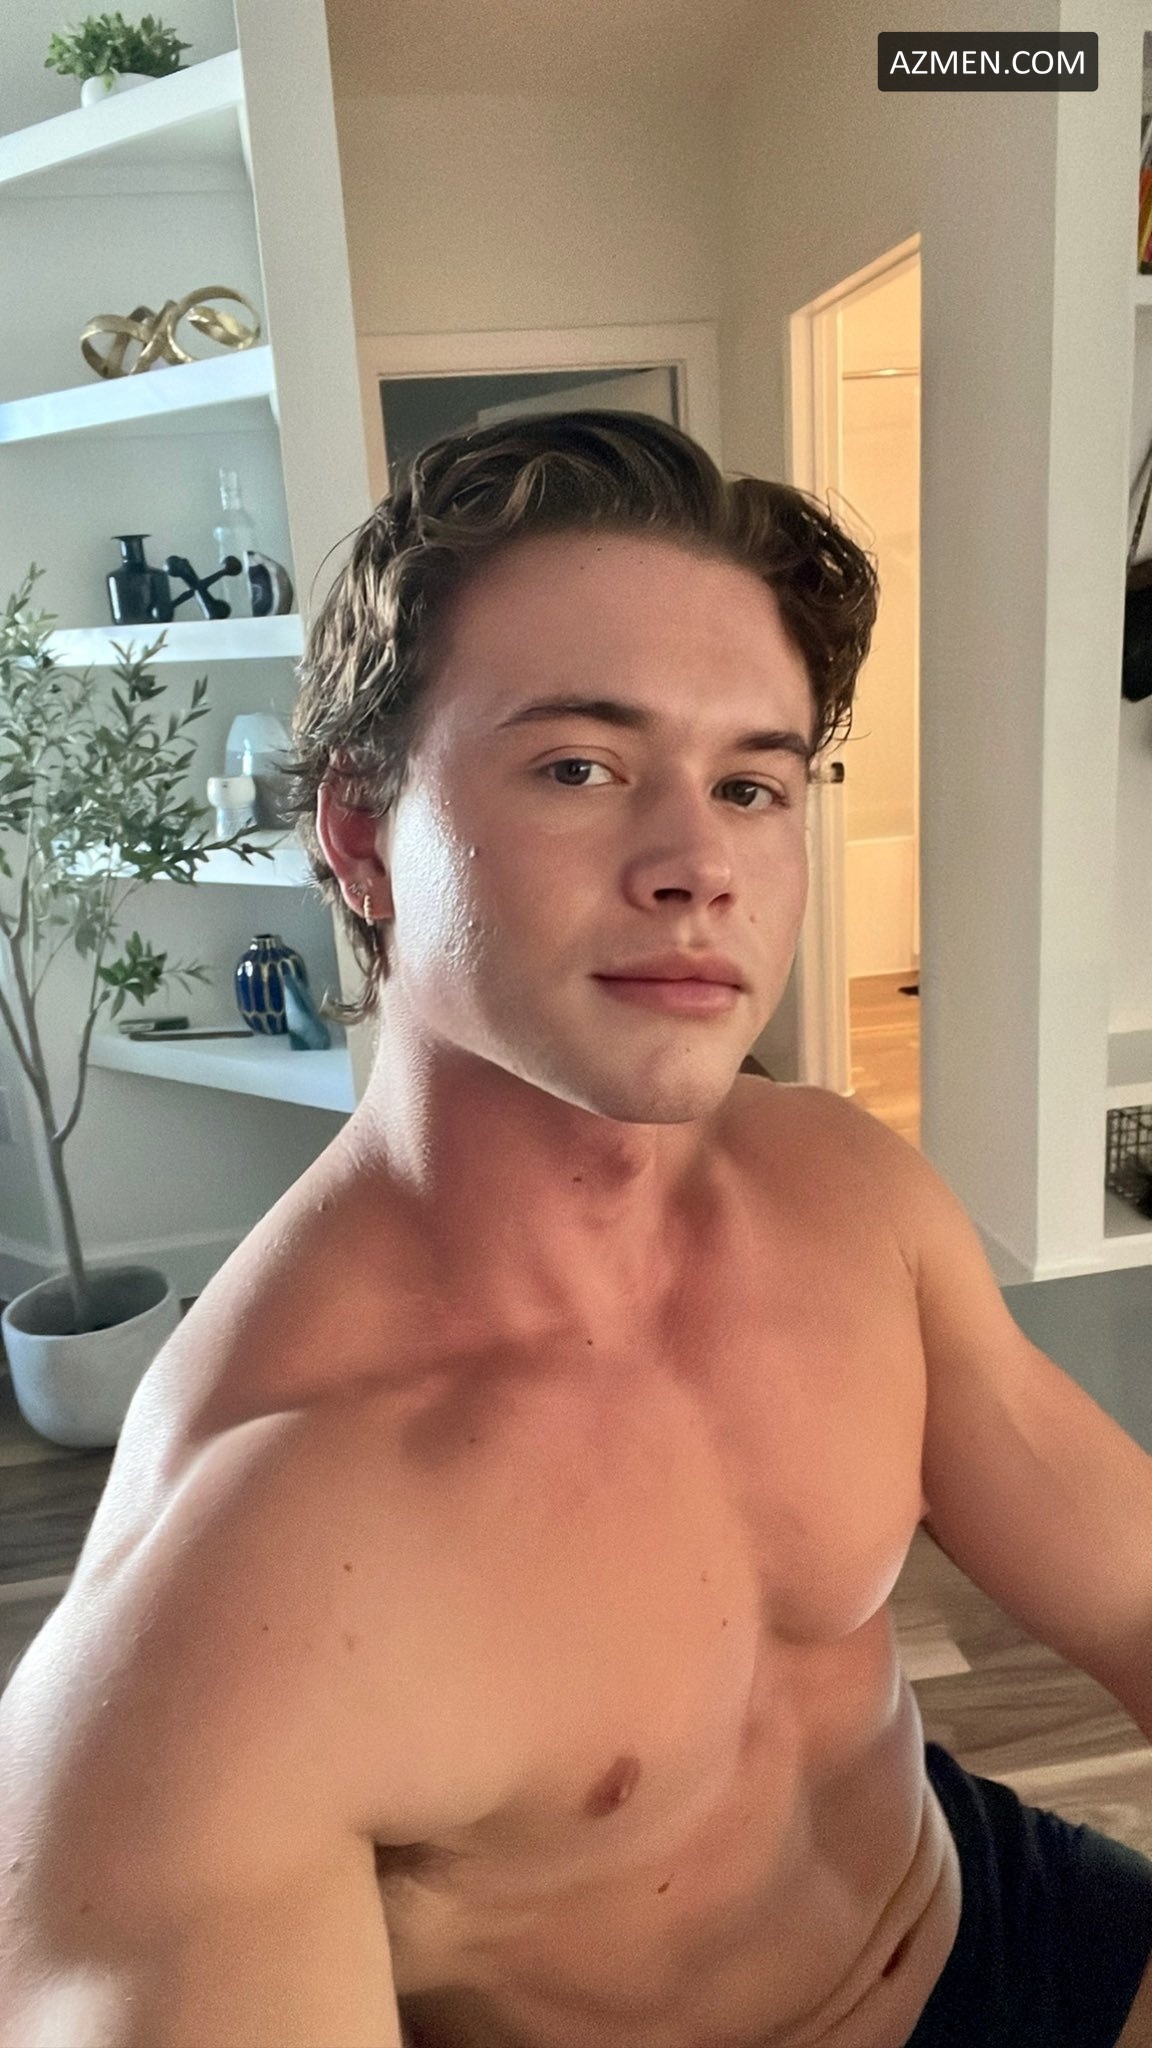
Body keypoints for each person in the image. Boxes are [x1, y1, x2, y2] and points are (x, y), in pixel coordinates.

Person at [3, 411, 1152, 2048]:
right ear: (359, 833)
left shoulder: (844, 1195)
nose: (700, 866)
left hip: (989, 1904)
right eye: (579, 768)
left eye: (751, 784)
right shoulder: (240, 1587)